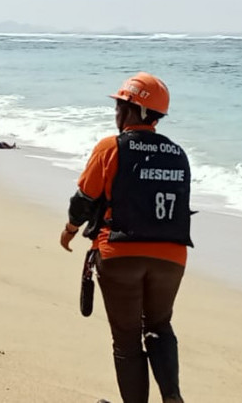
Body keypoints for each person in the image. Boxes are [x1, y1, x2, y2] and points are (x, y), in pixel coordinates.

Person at [60, 72, 191, 403]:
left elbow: (84, 200)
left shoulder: (111, 147)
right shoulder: (178, 154)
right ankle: (172, 396)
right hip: (172, 258)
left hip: (119, 253)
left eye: (119, 106)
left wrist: (70, 230)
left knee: (127, 340)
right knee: (160, 326)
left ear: (133, 110)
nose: (116, 112)